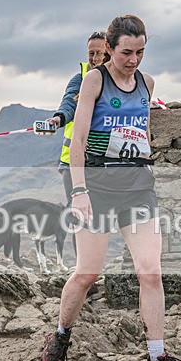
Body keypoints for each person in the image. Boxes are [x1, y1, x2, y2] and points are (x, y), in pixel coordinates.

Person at [40, 15, 181, 361]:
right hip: (97, 187)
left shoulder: (147, 82)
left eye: (141, 52)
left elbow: (140, 129)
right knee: (87, 272)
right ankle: (61, 336)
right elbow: (77, 142)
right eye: (127, 52)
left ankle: (157, 354)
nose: (134, 60)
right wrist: (78, 191)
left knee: (151, 270)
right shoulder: (94, 80)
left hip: (138, 188)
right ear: (110, 49)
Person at [47, 31, 107, 258]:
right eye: (90, 53)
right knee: (79, 216)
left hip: (103, 161)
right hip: (72, 162)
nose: (94, 58)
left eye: (99, 53)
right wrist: (59, 118)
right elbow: (68, 105)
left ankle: (93, 268)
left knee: (101, 217)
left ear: (109, 52)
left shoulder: (116, 81)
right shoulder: (79, 78)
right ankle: (84, 276)